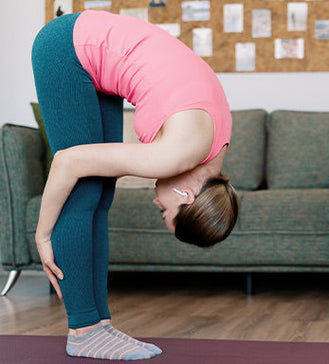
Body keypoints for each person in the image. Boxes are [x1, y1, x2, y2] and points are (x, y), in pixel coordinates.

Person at [31, 10, 238, 360]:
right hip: (66, 47)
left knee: (99, 188)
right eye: (166, 213)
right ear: (187, 196)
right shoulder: (176, 155)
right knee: (82, 188)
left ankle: (99, 325)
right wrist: (42, 234)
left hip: (92, 55)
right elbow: (68, 162)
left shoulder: (214, 150)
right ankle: (84, 330)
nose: (157, 205)